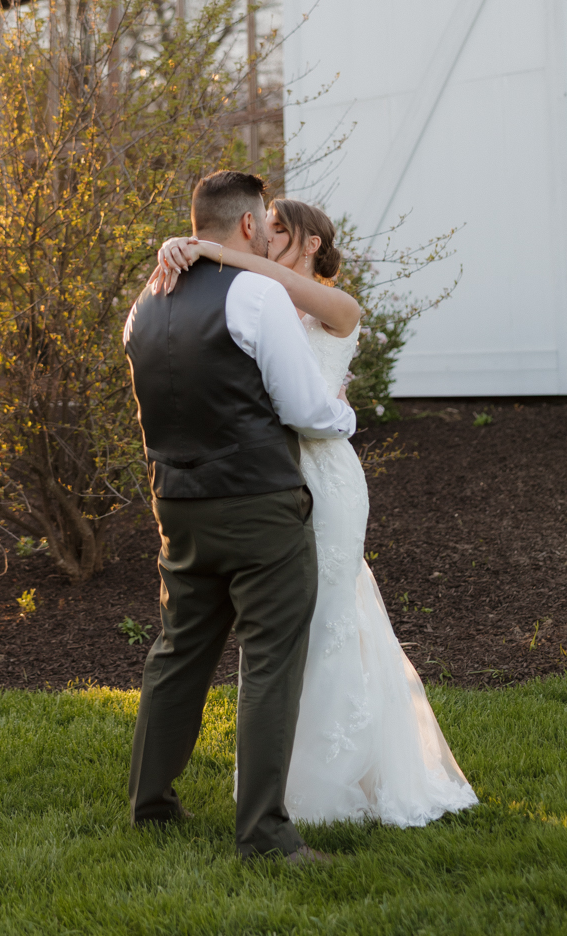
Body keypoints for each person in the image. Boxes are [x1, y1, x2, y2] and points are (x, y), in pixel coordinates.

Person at [156, 197, 478, 829]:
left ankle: (340, 780)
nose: (264, 239)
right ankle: (287, 782)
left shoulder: (336, 307)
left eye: (276, 231)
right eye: (261, 229)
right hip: (264, 480)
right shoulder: (253, 305)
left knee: (329, 612)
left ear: (306, 242)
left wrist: (217, 252)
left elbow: (281, 305)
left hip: (325, 480)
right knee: (280, 628)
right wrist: (184, 250)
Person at [122, 170, 356, 864]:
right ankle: (264, 834)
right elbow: (305, 410)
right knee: (269, 662)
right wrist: (345, 413)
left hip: (178, 506)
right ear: (250, 226)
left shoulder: (144, 302)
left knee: (178, 651)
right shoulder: (255, 294)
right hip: (259, 505)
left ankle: (151, 804)